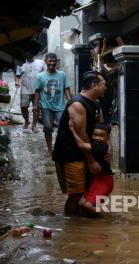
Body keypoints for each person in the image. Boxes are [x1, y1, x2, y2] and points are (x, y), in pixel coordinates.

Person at [52, 70, 109, 216]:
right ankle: (71, 228)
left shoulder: (96, 103)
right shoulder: (77, 105)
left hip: (87, 151)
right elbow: (82, 135)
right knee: (76, 194)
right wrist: (91, 161)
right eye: (104, 84)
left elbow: (102, 129)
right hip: (70, 154)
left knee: (87, 192)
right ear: (93, 85)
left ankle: (82, 224)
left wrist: (108, 148)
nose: (106, 87)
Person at [68, 122, 113, 214]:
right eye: (95, 135)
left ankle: (105, 219)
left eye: (101, 136)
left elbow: (81, 146)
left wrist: (72, 130)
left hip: (104, 180)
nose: (97, 138)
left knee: (88, 205)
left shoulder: (101, 147)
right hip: (97, 179)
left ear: (108, 137)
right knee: (81, 203)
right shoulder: (102, 145)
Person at [34, 53, 72, 157]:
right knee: (47, 127)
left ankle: (61, 147)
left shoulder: (62, 74)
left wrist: (71, 101)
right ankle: (50, 149)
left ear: (57, 62)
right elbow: (37, 91)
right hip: (46, 106)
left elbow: (66, 88)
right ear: (45, 61)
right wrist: (36, 104)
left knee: (63, 127)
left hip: (60, 106)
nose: (52, 63)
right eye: (50, 61)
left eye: (54, 61)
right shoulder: (40, 76)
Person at [15, 55, 47, 132]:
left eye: (32, 53)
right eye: (28, 53)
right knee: (23, 107)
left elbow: (46, 74)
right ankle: (27, 121)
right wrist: (17, 81)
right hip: (25, 89)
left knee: (36, 107)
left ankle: (34, 125)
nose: (30, 55)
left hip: (37, 90)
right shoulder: (21, 64)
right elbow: (18, 75)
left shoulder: (41, 63)